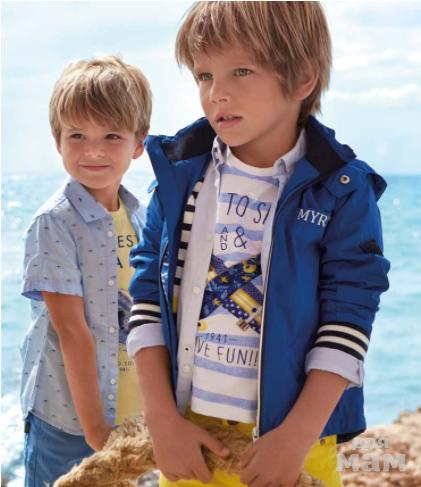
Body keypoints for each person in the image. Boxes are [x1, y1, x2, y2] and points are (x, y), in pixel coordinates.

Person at [127, 2, 390, 487]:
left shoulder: (342, 190)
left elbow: (349, 320)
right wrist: (160, 419)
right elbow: (145, 296)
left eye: (241, 71)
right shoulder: (179, 177)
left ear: (302, 78)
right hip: (189, 434)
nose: (217, 93)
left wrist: (295, 437)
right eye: (204, 75)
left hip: (296, 442)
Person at [20, 55, 152, 487]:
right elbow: (71, 331)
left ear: (138, 143)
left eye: (111, 135)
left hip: (132, 413)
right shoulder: (54, 222)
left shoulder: (142, 218)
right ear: (58, 141)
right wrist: (95, 429)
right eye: (77, 135)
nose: (93, 150)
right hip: (69, 421)